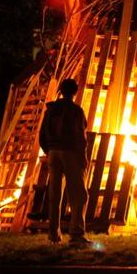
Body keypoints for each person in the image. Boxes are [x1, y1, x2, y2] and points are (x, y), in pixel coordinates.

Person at [39, 78, 91, 245]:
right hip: (70, 153)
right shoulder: (76, 111)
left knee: (55, 195)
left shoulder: (51, 110)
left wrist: (50, 151)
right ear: (74, 92)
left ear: (60, 90)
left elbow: (42, 134)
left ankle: (53, 235)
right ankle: (76, 234)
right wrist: (82, 155)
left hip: (53, 152)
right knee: (78, 194)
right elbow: (80, 134)